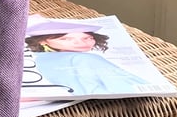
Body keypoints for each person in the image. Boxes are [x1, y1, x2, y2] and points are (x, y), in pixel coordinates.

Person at [23, 17, 151, 97]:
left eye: (87, 38)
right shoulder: (86, 59)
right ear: (42, 41)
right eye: (66, 39)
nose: (80, 43)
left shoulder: (39, 59)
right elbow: (126, 87)